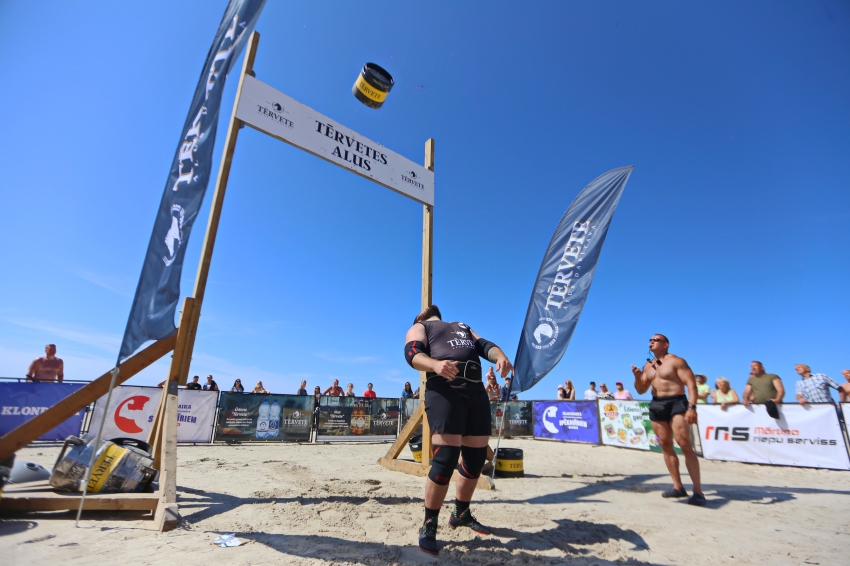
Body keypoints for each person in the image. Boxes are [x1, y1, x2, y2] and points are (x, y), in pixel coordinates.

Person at [403, 304, 513, 555]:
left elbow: (485, 345)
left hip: (475, 392)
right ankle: (429, 523)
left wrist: (500, 356)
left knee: (475, 458)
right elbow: (412, 353)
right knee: (446, 457)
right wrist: (435, 365)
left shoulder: (461, 326)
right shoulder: (421, 326)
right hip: (445, 390)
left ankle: (460, 513)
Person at [631, 334, 704, 506]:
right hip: (657, 403)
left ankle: (698, 491)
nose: (651, 341)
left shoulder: (676, 361)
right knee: (665, 444)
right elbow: (641, 390)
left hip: (676, 402)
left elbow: (691, 384)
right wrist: (637, 377)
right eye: (650, 340)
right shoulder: (648, 366)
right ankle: (678, 487)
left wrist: (692, 407)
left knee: (684, 444)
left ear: (666, 344)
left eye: (656, 339)